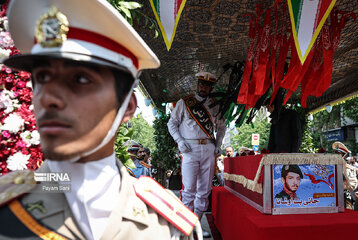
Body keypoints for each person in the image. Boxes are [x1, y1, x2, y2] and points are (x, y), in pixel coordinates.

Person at [0, 0, 200, 239]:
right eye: (42, 77)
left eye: (81, 79)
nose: (48, 98)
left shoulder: (167, 227)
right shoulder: (7, 210)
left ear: (127, 107)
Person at [167, 71, 226, 238]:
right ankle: (185, 227)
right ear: (197, 85)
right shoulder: (184, 103)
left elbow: (221, 128)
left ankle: (196, 226)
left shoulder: (215, 105)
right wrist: (179, 140)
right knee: (188, 191)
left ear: (210, 88)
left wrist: (219, 144)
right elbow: (172, 123)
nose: (203, 88)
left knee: (204, 190)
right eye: (201, 85)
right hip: (189, 149)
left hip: (208, 148)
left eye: (207, 86)